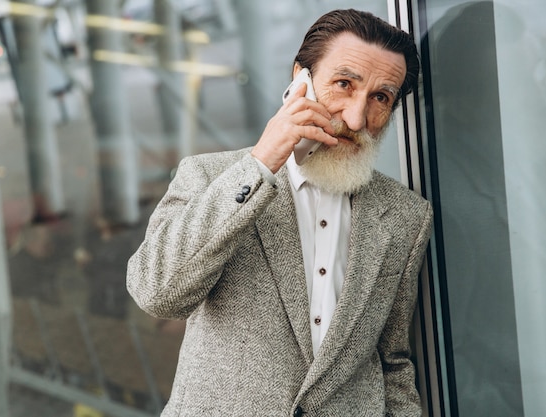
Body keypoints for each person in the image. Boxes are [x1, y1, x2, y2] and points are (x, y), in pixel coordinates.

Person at [127, 8, 433, 416]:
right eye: (344, 84)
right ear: (300, 80)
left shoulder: (405, 217)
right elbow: (157, 294)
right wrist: (261, 163)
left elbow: (392, 360)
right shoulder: (210, 176)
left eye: (380, 98)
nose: (357, 118)